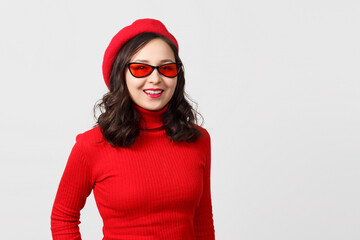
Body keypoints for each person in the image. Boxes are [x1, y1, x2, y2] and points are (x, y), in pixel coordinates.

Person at [50, 18, 215, 239]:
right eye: (141, 68)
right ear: (121, 75)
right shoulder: (91, 145)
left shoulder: (199, 139)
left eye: (166, 68)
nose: (155, 78)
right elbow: (63, 218)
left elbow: (202, 222)